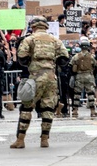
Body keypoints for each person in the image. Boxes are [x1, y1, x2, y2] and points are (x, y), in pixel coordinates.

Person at [11, 16, 69, 149]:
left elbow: (22, 56)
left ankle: (20, 140)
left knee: (26, 107)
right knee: (48, 108)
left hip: (35, 77)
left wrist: (30, 63)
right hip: (51, 77)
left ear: (34, 27)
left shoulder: (30, 39)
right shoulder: (55, 40)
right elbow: (65, 57)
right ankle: (44, 139)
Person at [70, 37, 97, 118]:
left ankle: (75, 111)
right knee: (90, 94)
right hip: (89, 75)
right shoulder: (91, 56)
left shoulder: (76, 56)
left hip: (79, 76)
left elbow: (71, 66)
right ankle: (93, 111)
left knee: (77, 94)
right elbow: (95, 66)